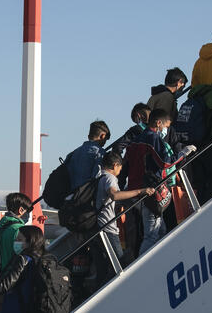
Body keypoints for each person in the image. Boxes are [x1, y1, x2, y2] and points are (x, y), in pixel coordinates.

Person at [124, 109, 192, 254]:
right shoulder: (152, 138)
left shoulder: (135, 140)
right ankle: (140, 269)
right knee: (152, 234)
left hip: (136, 189)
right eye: (166, 126)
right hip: (151, 190)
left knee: (161, 230)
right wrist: (182, 154)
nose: (166, 130)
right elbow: (165, 163)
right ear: (158, 123)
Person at [91, 152, 154, 288]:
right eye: (120, 167)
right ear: (115, 165)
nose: (120, 171)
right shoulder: (110, 178)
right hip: (107, 228)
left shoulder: (98, 176)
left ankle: (95, 293)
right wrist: (140, 192)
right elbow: (114, 195)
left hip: (95, 227)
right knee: (119, 265)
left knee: (102, 267)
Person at [66, 120, 110, 188]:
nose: (104, 143)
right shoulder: (100, 153)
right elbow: (97, 178)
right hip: (86, 196)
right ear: (103, 136)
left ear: (89, 136)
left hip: (69, 195)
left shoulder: (73, 154)